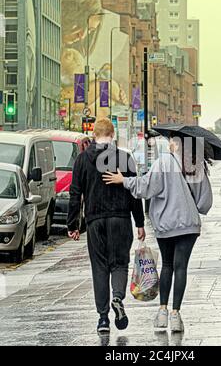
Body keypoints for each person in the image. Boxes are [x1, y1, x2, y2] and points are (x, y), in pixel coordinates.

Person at [103, 136, 213, 333]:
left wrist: (123, 180)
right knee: (181, 268)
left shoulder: (163, 162)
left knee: (168, 265)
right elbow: (205, 202)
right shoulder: (195, 165)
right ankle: (176, 315)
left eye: (172, 140)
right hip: (189, 225)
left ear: (177, 144)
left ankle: (162, 311)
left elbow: (146, 187)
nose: (169, 143)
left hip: (165, 225)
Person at [67, 119, 146, 335]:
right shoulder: (124, 158)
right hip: (121, 219)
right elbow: (134, 193)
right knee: (119, 263)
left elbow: (75, 194)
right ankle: (118, 297)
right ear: (112, 135)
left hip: (95, 221)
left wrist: (73, 224)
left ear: (94, 135)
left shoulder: (82, 159)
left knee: (99, 267)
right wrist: (139, 223)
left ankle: (103, 318)